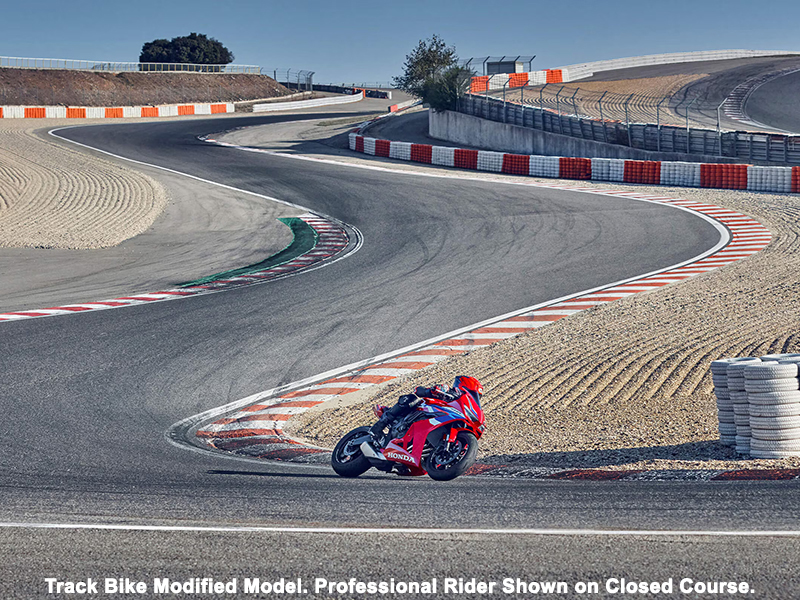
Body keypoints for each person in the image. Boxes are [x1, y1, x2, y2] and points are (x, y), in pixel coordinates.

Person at [368, 376, 483, 442]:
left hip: (441, 421)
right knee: (412, 399)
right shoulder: (449, 392)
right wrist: (434, 390)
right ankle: (379, 425)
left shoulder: (462, 406)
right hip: (422, 411)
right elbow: (418, 390)